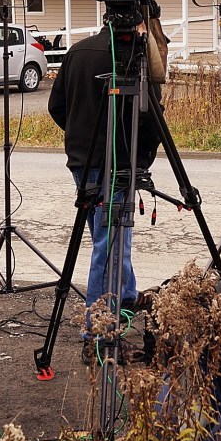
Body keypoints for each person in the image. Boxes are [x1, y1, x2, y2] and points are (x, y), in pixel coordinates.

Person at [47, 20, 162, 310]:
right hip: (116, 166)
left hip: (82, 164)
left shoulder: (77, 51)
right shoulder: (135, 59)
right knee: (108, 247)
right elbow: (151, 117)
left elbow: (56, 107)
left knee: (109, 238)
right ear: (139, 23)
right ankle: (97, 330)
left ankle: (125, 296)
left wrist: (80, 134)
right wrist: (144, 154)